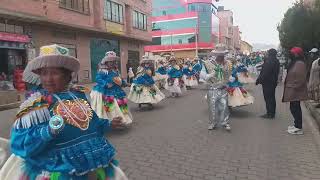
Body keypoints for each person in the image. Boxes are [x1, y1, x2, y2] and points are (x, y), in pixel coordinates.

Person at [1, 44, 128, 179]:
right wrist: (47, 132)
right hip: (58, 169)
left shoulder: (78, 94)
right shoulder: (35, 105)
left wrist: (108, 124)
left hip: (93, 163)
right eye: (44, 73)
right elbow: (19, 142)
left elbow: (91, 123)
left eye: (55, 73)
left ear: (68, 76)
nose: (48, 79)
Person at [90, 51, 133, 126]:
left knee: (121, 105)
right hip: (107, 92)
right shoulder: (103, 71)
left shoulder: (116, 70)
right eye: (110, 61)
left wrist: (125, 83)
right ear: (106, 62)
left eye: (114, 61)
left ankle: (121, 120)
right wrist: (106, 84)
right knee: (111, 107)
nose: (112, 63)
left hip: (117, 91)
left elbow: (119, 79)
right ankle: (112, 120)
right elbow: (98, 79)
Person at [283, 47, 309, 135]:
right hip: (293, 89)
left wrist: (293, 86)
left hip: (296, 90)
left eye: (292, 53)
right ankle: (296, 124)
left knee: (295, 108)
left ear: (297, 54)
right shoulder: (295, 62)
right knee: (294, 108)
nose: (290, 54)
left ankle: (299, 127)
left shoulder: (300, 63)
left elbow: (301, 78)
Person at [206, 44, 231, 131]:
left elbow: (229, 76)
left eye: (222, 54)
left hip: (223, 89)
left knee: (224, 107)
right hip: (212, 89)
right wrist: (212, 74)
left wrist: (228, 79)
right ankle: (212, 123)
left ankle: (225, 122)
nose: (220, 56)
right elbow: (203, 76)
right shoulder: (208, 63)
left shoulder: (228, 63)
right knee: (212, 107)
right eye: (219, 54)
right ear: (215, 54)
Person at [256, 48, 280, 119]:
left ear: (270, 53)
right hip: (273, 82)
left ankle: (269, 113)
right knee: (272, 97)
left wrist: (258, 80)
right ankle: (272, 112)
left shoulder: (269, 61)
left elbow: (265, 73)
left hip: (267, 82)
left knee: (268, 98)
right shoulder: (276, 60)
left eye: (268, 53)